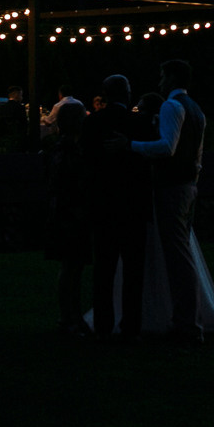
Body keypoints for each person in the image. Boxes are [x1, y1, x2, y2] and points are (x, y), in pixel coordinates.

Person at [131, 58, 214, 343]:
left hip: (172, 187)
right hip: (189, 187)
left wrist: (131, 146)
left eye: (162, 76)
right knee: (182, 254)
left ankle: (186, 324)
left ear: (170, 78)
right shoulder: (197, 110)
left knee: (177, 256)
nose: (159, 82)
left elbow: (167, 147)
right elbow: (197, 156)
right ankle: (188, 319)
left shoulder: (172, 106)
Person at [85, 74, 149, 341]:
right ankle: (131, 325)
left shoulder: (93, 123)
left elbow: (86, 162)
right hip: (133, 205)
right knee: (134, 270)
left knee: (103, 268)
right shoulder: (140, 124)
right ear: (128, 93)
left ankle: (102, 323)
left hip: (103, 203)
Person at [44, 102, 91, 336]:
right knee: (71, 266)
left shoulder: (63, 147)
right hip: (70, 212)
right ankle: (68, 316)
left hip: (67, 211)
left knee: (73, 267)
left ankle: (72, 315)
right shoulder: (68, 149)